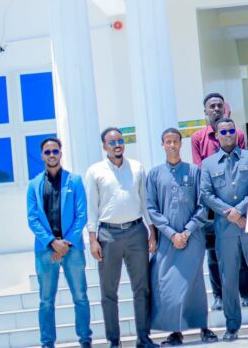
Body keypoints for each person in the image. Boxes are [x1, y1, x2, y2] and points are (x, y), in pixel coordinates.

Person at [199, 118, 248, 339]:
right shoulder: (208, 164)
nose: (228, 134)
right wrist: (230, 213)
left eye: (231, 131)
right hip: (225, 229)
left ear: (236, 133)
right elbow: (206, 194)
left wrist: (240, 210)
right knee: (228, 279)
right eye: (223, 132)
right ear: (216, 135)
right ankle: (232, 325)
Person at [84, 128, 156, 348]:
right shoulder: (95, 171)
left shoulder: (137, 167)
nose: (117, 145)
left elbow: (145, 201)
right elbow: (91, 208)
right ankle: (114, 341)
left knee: (142, 288)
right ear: (104, 146)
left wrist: (152, 231)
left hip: (136, 232)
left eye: (120, 141)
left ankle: (143, 338)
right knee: (108, 291)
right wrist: (93, 239)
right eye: (112, 142)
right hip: (108, 234)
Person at [146, 128, 218, 345]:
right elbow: (151, 208)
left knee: (194, 283)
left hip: (192, 238)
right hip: (167, 240)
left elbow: (202, 206)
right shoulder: (155, 174)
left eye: (175, 141)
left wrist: (186, 232)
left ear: (181, 143)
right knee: (169, 285)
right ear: (162, 145)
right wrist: (171, 234)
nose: (172, 145)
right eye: (167, 142)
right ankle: (175, 331)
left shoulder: (194, 171)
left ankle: (203, 327)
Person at [26, 137, 92, 348]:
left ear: (61, 153)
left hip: (72, 249)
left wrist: (65, 244)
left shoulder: (75, 181)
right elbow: (32, 219)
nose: (52, 155)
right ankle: (47, 343)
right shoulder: (34, 185)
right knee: (46, 300)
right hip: (46, 250)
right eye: (47, 152)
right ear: (42, 156)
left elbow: (81, 215)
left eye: (55, 151)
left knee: (80, 296)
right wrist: (52, 243)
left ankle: (85, 340)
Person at [190, 93, 248, 311]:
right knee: (214, 252)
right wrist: (219, 205)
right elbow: (200, 170)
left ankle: (245, 293)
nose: (216, 109)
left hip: (238, 205)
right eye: (212, 106)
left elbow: (242, 164)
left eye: (219, 105)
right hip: (213, 207)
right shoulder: (198, 138)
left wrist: (237, 208)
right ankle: (218, 296)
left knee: (241, 249)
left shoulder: (239, 134)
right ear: (205, 111)